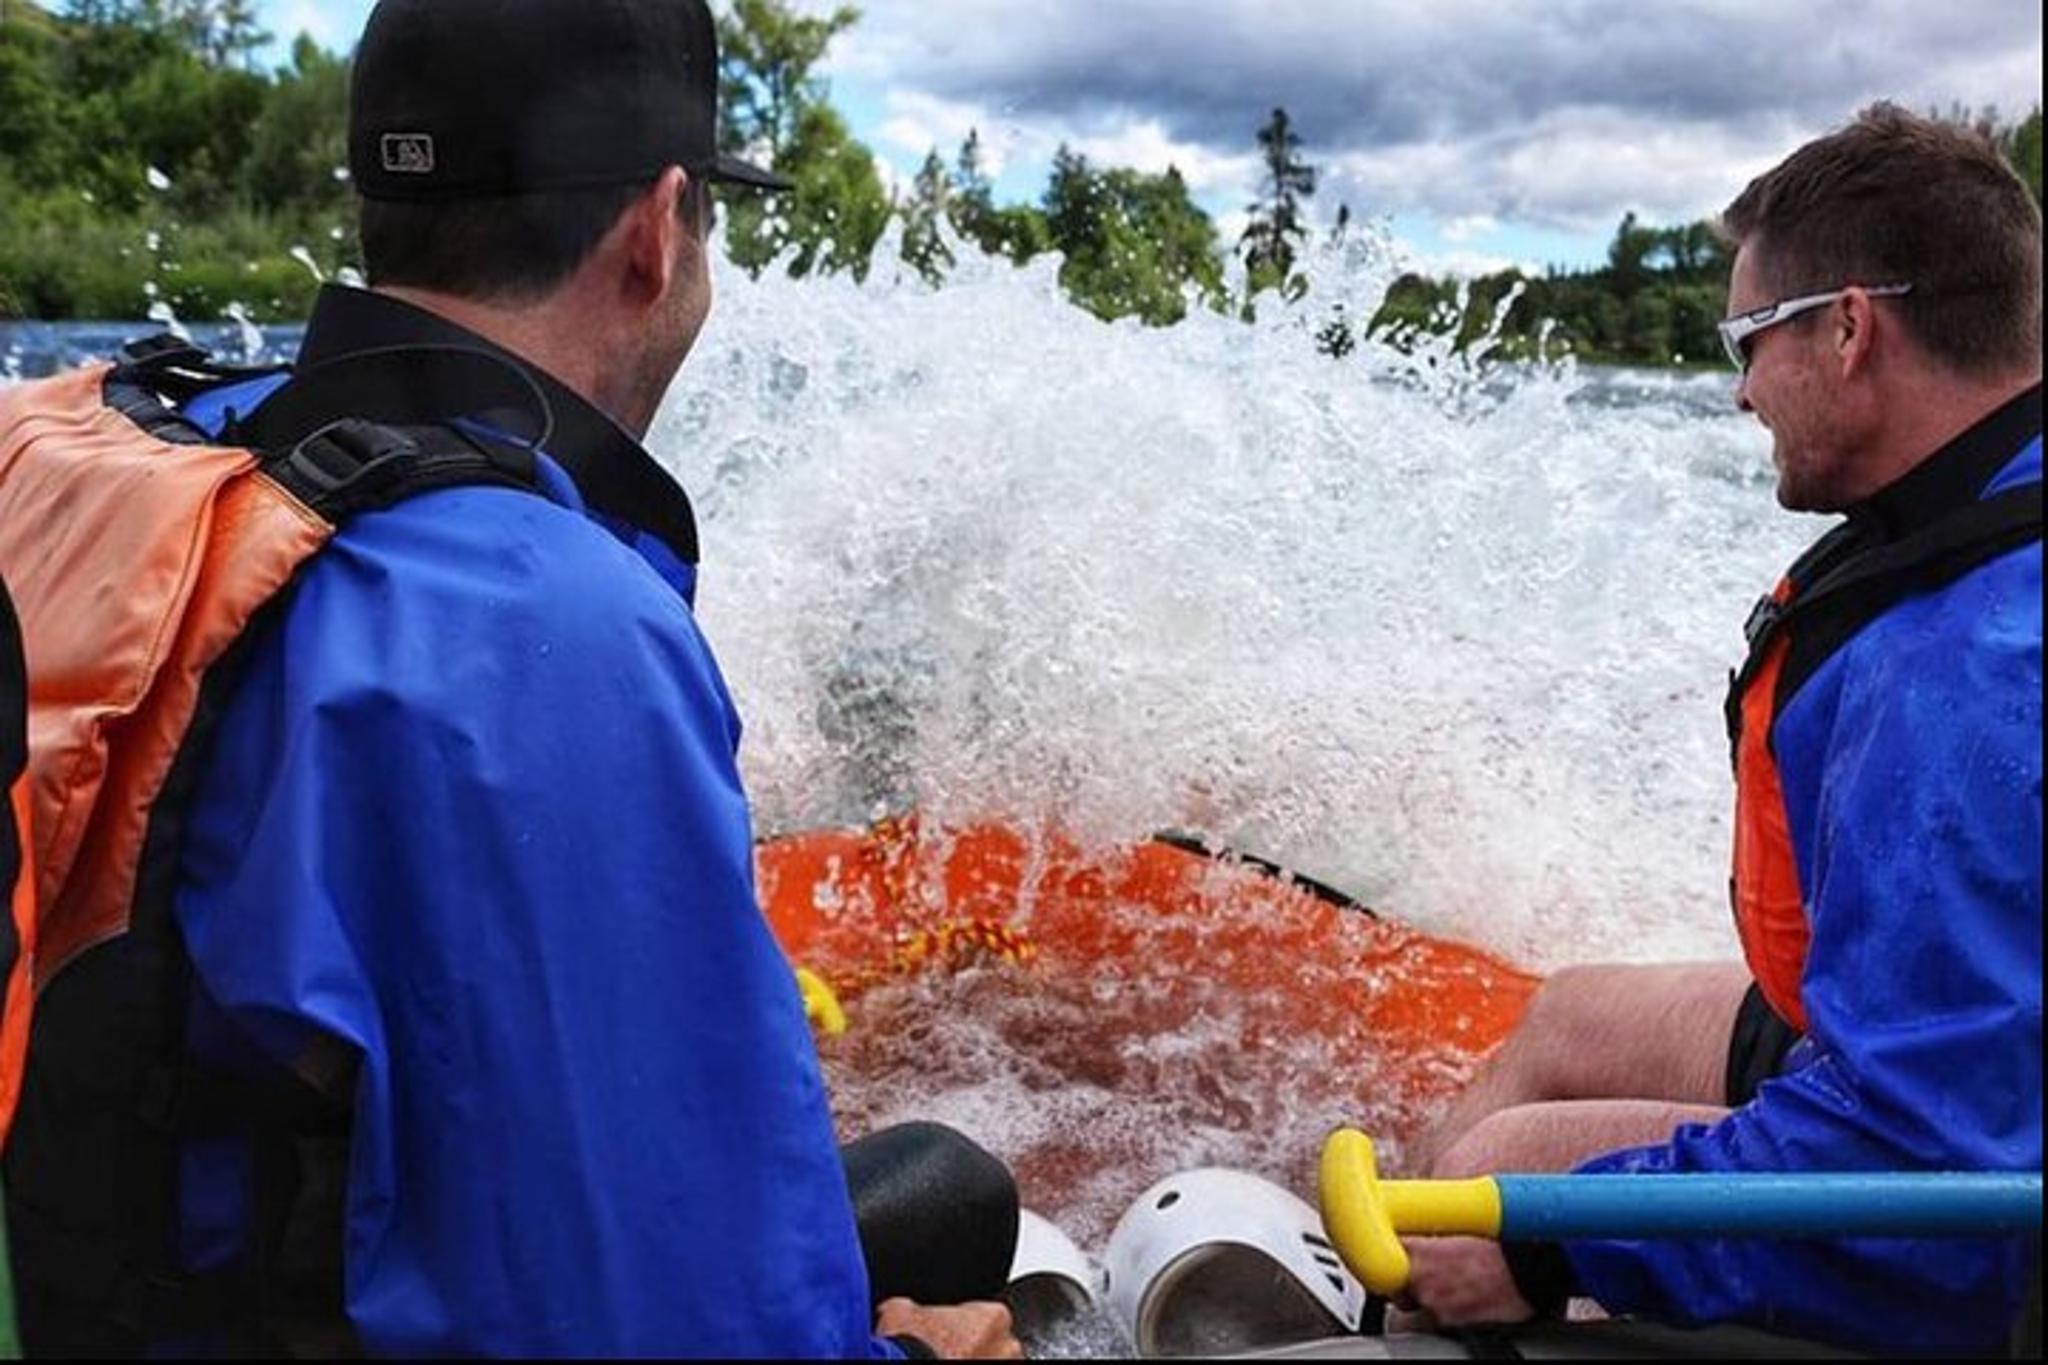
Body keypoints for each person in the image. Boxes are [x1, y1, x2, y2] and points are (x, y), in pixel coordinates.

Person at [0, 0, 1021, 1357]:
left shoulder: (123, 437)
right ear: (657, 229)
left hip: (90, 1262)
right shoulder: (544, 633)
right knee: (960, 1205)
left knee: (933, 1193)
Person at [1396, 103, 2041, 1355]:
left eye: (1747, 339)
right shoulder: (1977, 530)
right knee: (1568, 1017)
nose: (1739, 391)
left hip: (1986, 1238)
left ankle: (1399, 1314)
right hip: (1960, 1069)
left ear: (1847, 328)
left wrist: (1547, 1240)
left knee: (1490, 1179)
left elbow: (1932, 1199)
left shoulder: (1965, 675)